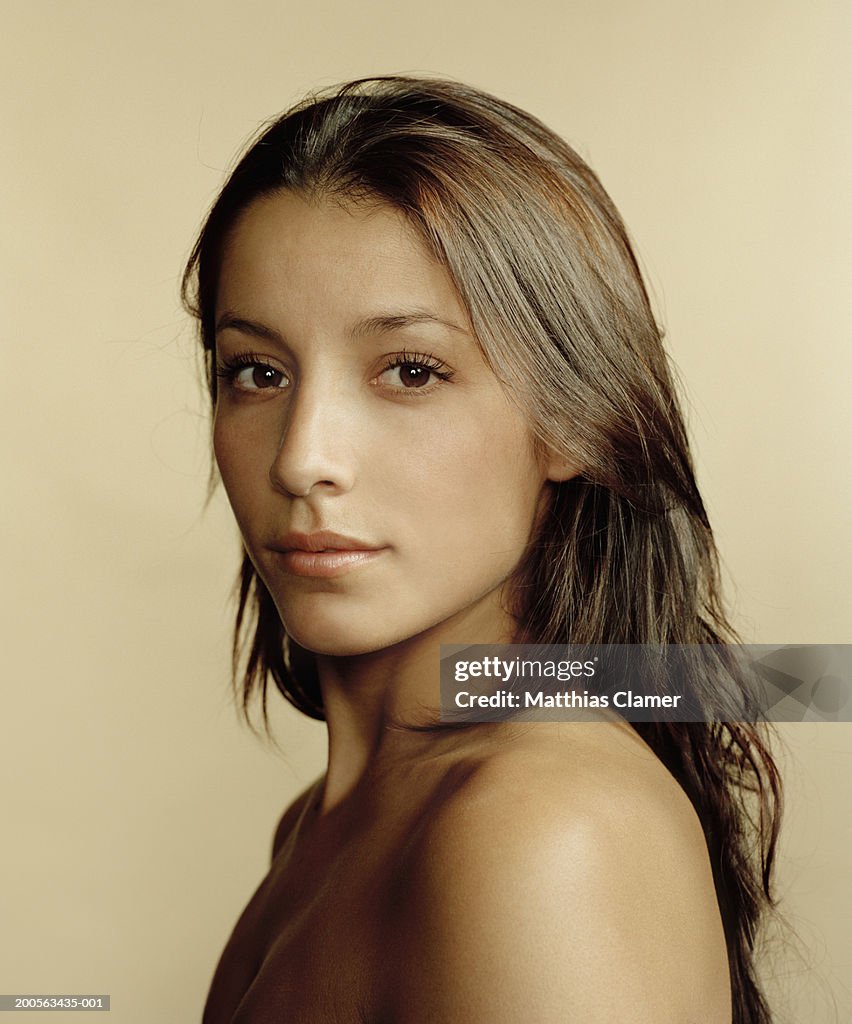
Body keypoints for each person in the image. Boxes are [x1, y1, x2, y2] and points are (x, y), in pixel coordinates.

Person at [182, 76, 781, 1023]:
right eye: (257, 371)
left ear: (573, 420)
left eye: (410, 370)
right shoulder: (322, 828)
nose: (302, 460)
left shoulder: (542, 831)